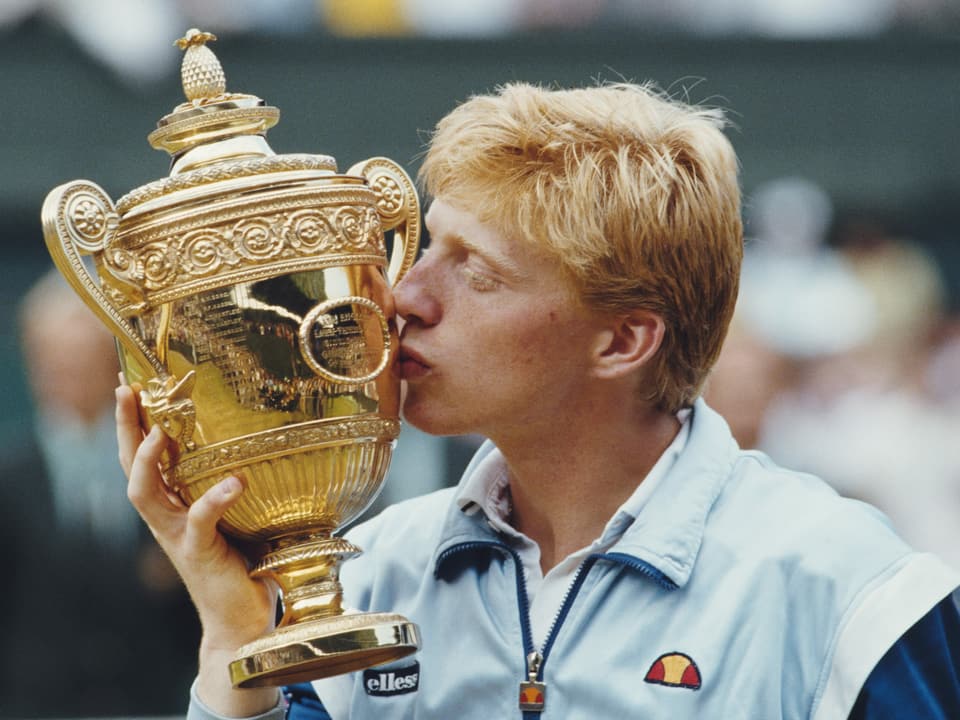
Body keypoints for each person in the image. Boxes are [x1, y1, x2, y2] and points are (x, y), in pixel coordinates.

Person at [116, 82, 960, 719]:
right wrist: (236, 642)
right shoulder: (368, 576)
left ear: (623, 341)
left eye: (475, 271)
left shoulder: (847, 588)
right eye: (425, 246)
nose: (405, 295)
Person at [1, 268, 199, 716]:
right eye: (53, 363)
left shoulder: (172, 471)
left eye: (81, 362)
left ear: (115, 361)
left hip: (155, 699)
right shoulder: (9, 480)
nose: (65, 378)